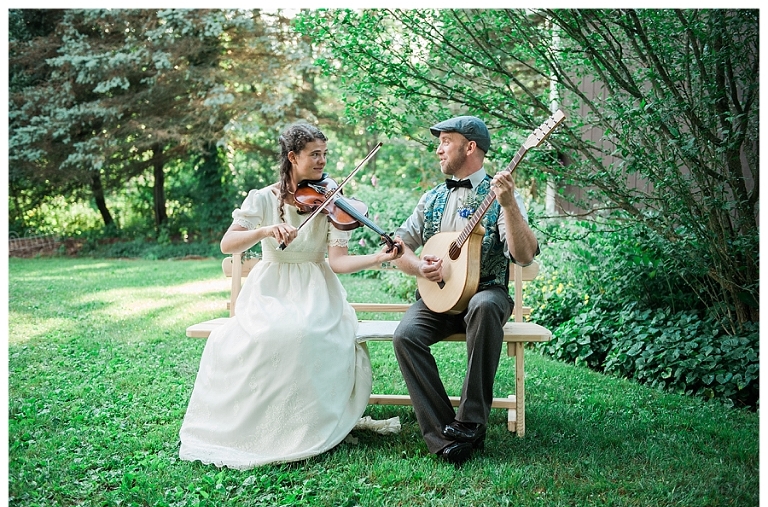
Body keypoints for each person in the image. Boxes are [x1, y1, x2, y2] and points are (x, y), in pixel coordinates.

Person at [179, 122, 403, 469]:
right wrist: (266, 229)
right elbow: (227, 244)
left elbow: (338, 262)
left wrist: (379, 257)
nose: (322, 162)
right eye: (314, 155)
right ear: (292, 157)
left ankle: (311, 421)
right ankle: (269, 421)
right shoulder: (262, 198)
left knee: (307, 333)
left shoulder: (329, 201)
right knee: (272, 333)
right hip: (270, 289)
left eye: (324, 155)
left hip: (316, 290)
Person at [392, 115, 539, 466]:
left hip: (486, 294)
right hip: (440, 297)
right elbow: (399, 247)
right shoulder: (431, 199)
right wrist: (419, 267)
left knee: (486, 305)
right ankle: (445, 436)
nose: (438, 148)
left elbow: (523, 255)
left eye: (445, 141)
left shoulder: (501, 193)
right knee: (405, 336)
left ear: (469, 147)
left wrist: (509, 205)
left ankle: (471, 422)